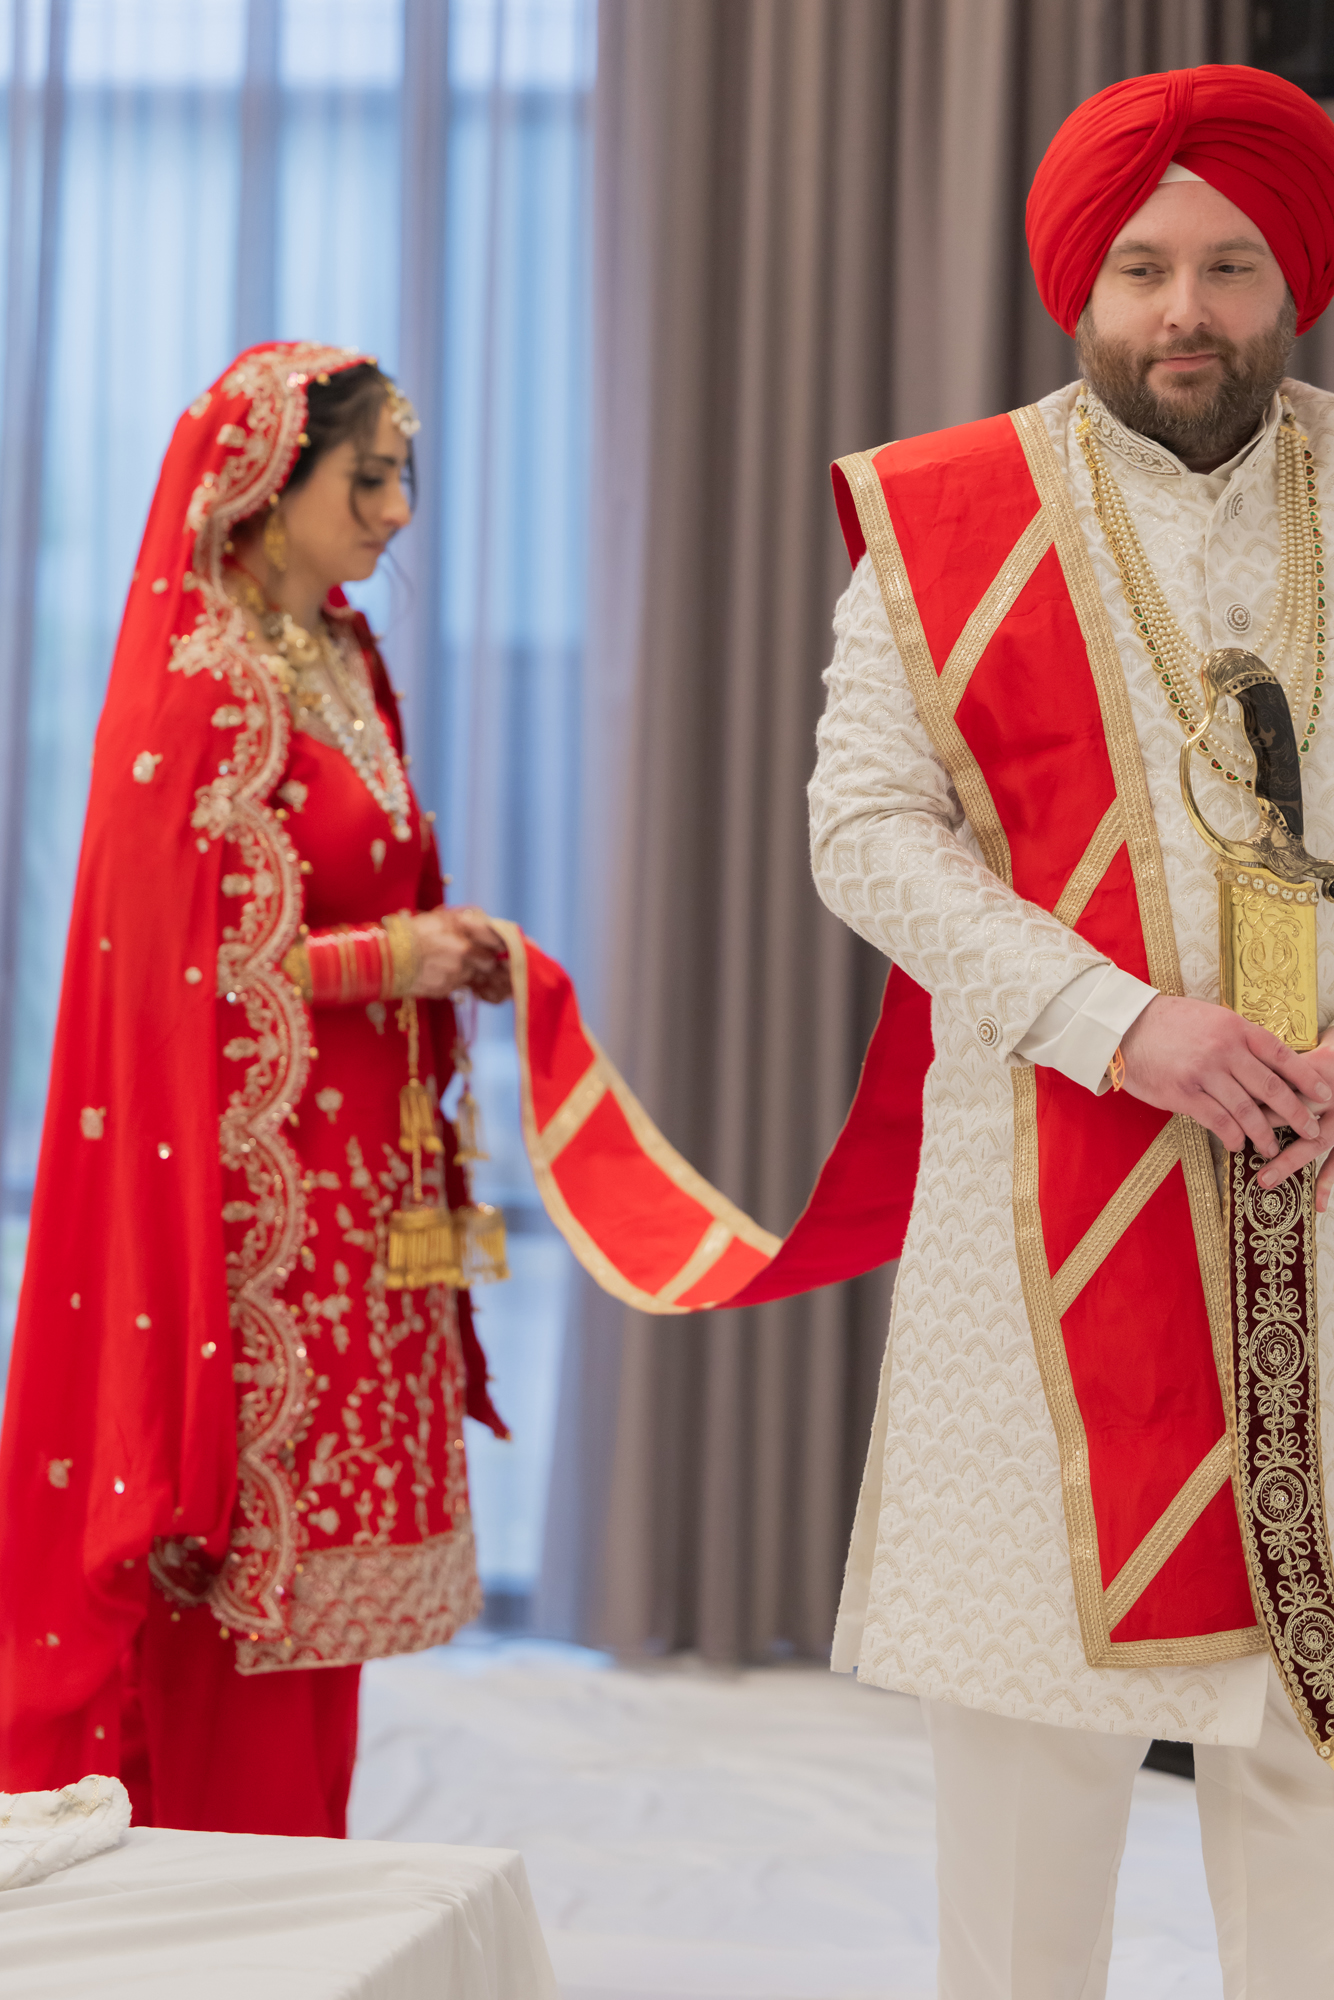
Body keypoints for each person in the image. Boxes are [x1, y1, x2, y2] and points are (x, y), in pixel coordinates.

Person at [810, 66, 1334, 1997]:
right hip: (1048, 1201)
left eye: (1227, 264)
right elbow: (864, 829)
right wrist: (1123, 1026)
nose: (1182, 309)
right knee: (1034, 1775)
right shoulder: (950, 512)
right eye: (1140, 267)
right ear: (1079, 282)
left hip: (1322, 1221)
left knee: (1315, 1785)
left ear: (1291, 279)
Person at [0, 342, 512, 1837]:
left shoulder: (342, 656)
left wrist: (443, 948)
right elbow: (192, 979)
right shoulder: (203, 689)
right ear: (268, 487)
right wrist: (403, 955)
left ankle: (303, 1890)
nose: (398, 509)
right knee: (240, 1593)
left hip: (356, 1197)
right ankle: (221, 1897)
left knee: (317, 1622)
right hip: (243, 1221)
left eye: (405, 476)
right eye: (369, 478)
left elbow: (354, 893)